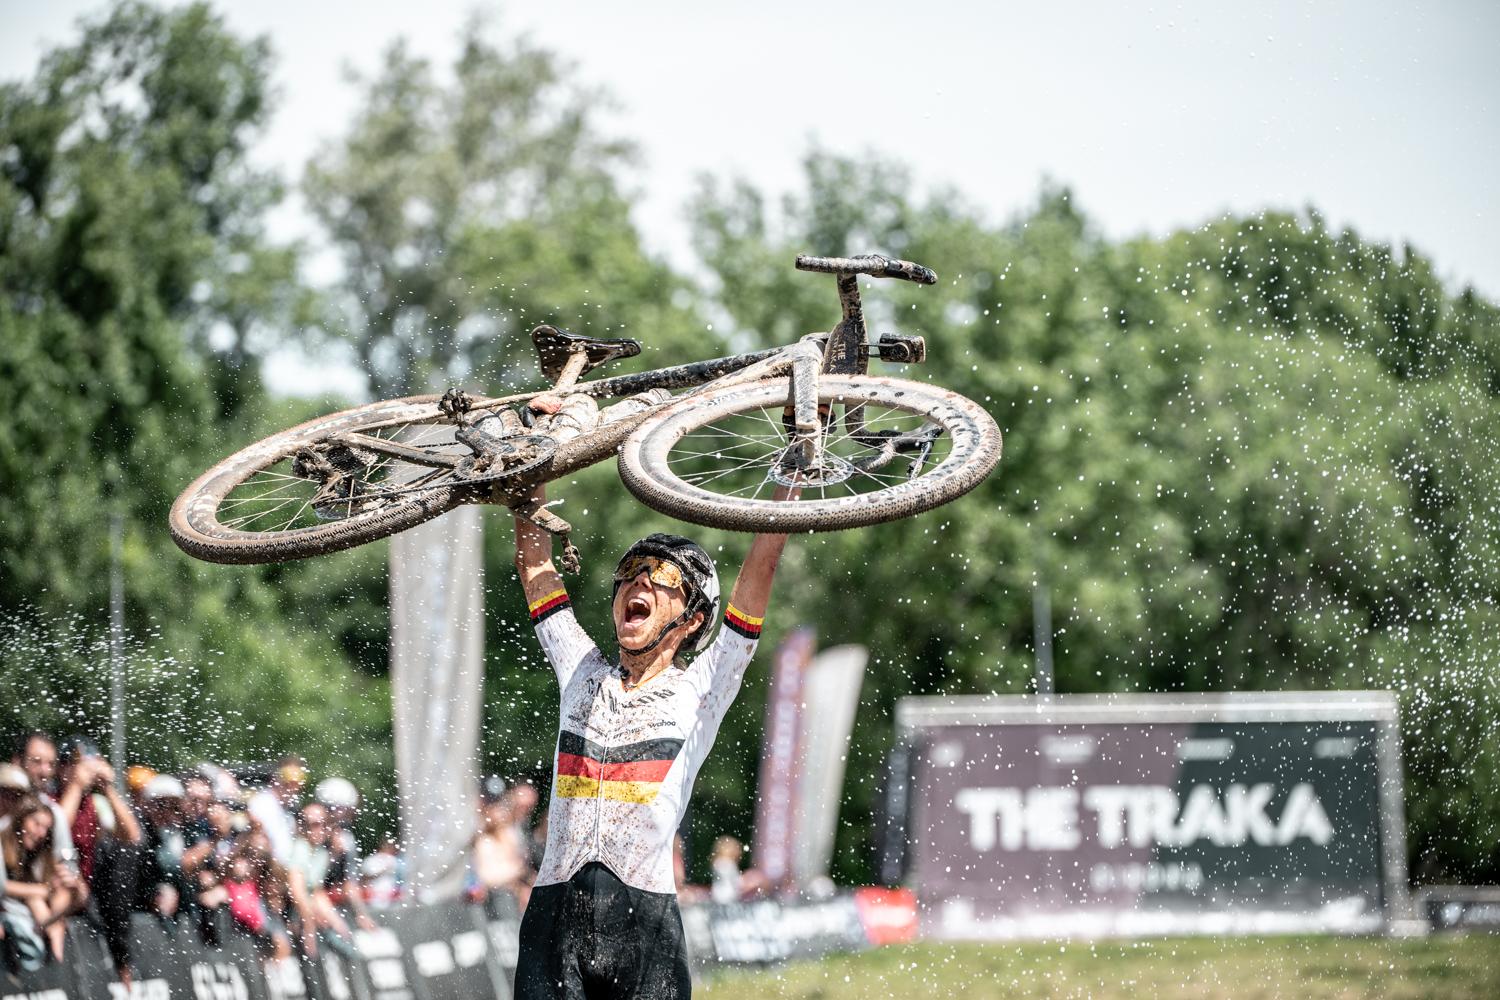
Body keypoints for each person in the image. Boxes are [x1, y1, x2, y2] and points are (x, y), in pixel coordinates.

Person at [511, 480, 797, 1000]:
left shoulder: (702, 687)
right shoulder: (580, 669)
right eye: (629, 572)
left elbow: (763, 567)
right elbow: (534, 570)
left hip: (645, 925)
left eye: (664, 576)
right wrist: (532, 474)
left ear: (693, 620)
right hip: (553, 919)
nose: (638, 581)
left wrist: (790, 475)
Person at [1, 794, 87, 962]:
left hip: (36, 916)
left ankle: (51, 925)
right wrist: (39, 890)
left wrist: (74, 889)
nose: (41, 832)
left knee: (56, 893)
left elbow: (78, 892)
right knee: (35, 898)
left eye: (46, 828)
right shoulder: (2, 841)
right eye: (36, 824)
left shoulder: (43, 852)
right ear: (21, 819)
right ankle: (51, 927)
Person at [247, 758, 305, 864]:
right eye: (287, 776)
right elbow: (256, 842)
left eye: (298, 778)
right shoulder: (261, 803)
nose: (292, 784)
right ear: (274, 777)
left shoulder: (289, 816)